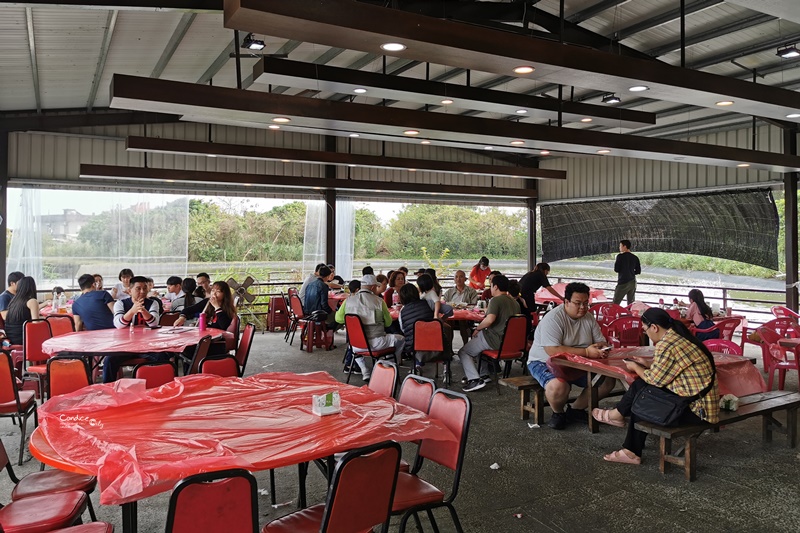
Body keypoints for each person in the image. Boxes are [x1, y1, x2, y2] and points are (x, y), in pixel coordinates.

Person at [593, 308, 718, 465]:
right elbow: (672, 369)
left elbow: (655, 379)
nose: (645, 333)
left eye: (645, 329)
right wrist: (648, 364)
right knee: (643, 391)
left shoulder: (666, 344)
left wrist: (636, 367)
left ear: (654, 327)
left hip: (696, 412)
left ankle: (621, 426)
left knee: (644, 394)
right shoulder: (679, 338)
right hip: (702, 405)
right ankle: (627, 441)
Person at [527, 282, 616, 429]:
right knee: (559, 387)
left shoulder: (588, 317)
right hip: (544, 361)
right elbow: (553, 350)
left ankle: (576, 409)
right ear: (566, 302)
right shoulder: (553, 319)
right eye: (578, 303)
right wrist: (587, 352)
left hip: (578, 362)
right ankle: (558, 413)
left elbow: (599, 340)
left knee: (607, 380)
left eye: (586, 303)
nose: (583, 307)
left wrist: (601, 347)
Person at [335, 274, 404, 381]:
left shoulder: (348, 301)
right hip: (377, 343)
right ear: (372, 287)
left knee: (352, 345)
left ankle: (364, 370)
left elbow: (338, 319)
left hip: (356, 345)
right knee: (400, 339)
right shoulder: (379, 302)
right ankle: (388, 365)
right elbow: (388, 323)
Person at [458, 275, 520, 393]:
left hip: (493, 340)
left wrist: (478, 329)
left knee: (464, 352)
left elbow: (490, 320)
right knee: (478, 347)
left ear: (495, 287)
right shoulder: (514, 302)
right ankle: (483, 375)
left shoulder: (496, 300)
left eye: (491, 285)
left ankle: (474, 379)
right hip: (509, 343)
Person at [106, 276, 163, 383]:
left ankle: (158, 386)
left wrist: (142, 310)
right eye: (138, 288)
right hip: (125, 346)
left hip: (146, 346)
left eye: (145, 288)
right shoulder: (120, 303)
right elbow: (118, 324)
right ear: (129, 291)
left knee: (162, 357)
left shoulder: (153, 303)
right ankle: (107, 389)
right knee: (109, 360)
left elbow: (154, 323)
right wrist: (132, 311)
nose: (142, 291)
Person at [398, 283, 435, 369]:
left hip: (414, 345)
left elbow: (403, 329)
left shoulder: (402, 311)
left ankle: (418, 363)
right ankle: (445, 366)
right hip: (434, 341)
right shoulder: (428, 303)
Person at [443, 269, 480, 344]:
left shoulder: (471, 291)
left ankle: (465, 345)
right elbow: (444, 304)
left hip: (465, 315)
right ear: (454, 279)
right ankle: (449, 349)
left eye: (461, 277)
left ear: (465, 279)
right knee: (448, 323)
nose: (458, 279)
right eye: (456, 277)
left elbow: (474, 305)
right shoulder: (449, 292)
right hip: (452, 315)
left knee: (462, 321)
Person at [4, 277, 40, 345]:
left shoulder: (14, 301)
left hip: (10, 337)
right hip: (22, 338)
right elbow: (36, 324)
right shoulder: (32, 301)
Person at [303, 265, 338, 332]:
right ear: (328, 276)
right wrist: (330, 312)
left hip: (307, 312)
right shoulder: (323, 286)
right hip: (318, 314)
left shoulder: (310, 284)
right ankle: (325, 330)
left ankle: (321, 330)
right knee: (339, 316)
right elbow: (324, 304)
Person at [613, 240, 641, 305]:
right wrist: (630, 272)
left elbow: (616, 269)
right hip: (632, 282)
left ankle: (614, 314)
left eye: (620, 246)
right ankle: (630, 314)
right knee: (631, 304)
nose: (619, 248)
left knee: (616, 303)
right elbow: (638, 271)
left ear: (624, 246)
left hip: (623, 282)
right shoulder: (635, 258)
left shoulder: (620, 256)